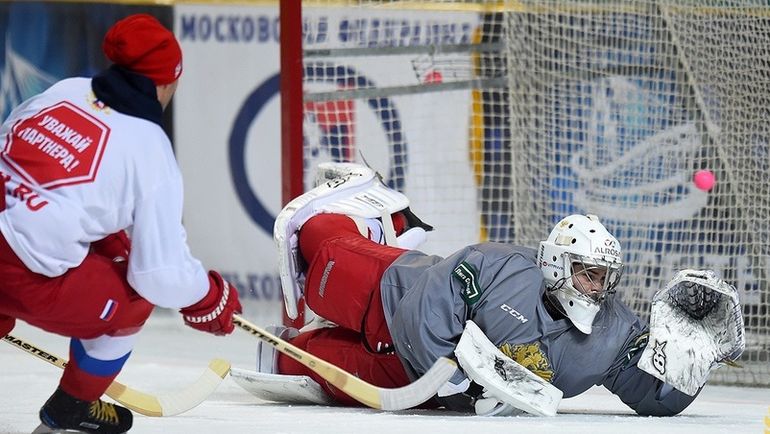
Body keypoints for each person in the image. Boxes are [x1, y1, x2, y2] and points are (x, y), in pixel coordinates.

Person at [258, 163, 713, 417]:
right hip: (393, 294)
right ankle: (385, 218)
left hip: (418, 385)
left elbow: (650, 392)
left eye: (604, 278)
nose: (597, 289)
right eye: (588, 273)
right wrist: (454, 374)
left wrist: (690, 362)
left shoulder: (612, 333)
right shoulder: (502, 266)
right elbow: (428, 307)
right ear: (557, 264)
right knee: (318, 248)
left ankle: (295, 349)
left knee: (286, 358)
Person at [0, 14, 242, 434]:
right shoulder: (149, 149)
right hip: (19, 274)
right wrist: (208, 298)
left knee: (109, 243)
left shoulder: (64, 90)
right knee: (133, 297)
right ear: (167, 83)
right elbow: (159, 275)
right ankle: (72, 408)